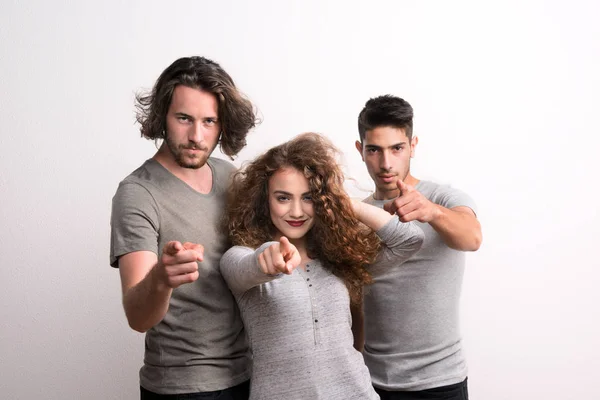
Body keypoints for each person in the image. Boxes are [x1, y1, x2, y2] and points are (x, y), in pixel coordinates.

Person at [219, 132, 425, 400]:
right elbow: (245, 268)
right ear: (264, 200)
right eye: (283, 198)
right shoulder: (241, 257)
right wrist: (267, 258)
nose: (296, 211)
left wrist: (341, 202)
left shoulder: (339, 255)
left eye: (308, 197)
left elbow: (410, 239)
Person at [109, 56, 257, 399]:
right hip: (182, 388)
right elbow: (137, 315)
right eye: (184, 119)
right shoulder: (137, 193)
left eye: (209, 122)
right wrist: (161, 278)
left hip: (246, 374)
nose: (196, 136)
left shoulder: (228, 176)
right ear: (163, 116)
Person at [354, 95, 483, 400]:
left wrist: (432, 212)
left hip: (440, 382)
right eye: (374, 150)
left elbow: (472, 238)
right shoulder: (357, 214)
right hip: (372, 382)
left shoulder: (444, 198)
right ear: (360, 150)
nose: (386, 163)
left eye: (397, 149)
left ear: (412, 146)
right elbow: (353, 301)